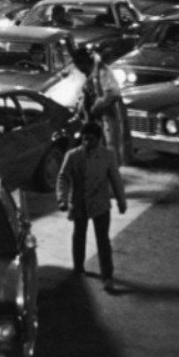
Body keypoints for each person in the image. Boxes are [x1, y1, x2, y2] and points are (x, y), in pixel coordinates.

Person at [57, 122, 128, 292]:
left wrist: (121, 200)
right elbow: (63, 177)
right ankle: (78, 268)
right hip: (79, 202)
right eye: (84, 139)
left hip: (100, 204)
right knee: (78, 236)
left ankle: (107, 276)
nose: (87, 142)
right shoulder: (73, 156)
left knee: (103, 240)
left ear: (99, 139)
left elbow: (115, 179)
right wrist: (62, 199)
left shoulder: (107, 156)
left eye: (91, 139)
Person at [73, 48, 129, 168]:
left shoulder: (103, 71)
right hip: (97, 121)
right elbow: (87, 94)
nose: (78, 69)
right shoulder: (90, 73)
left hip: (109, 117)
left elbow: (113, 93)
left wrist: (95, 107)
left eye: (78, 65)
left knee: (110, 149)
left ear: (82, 62)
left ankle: (112, 178)